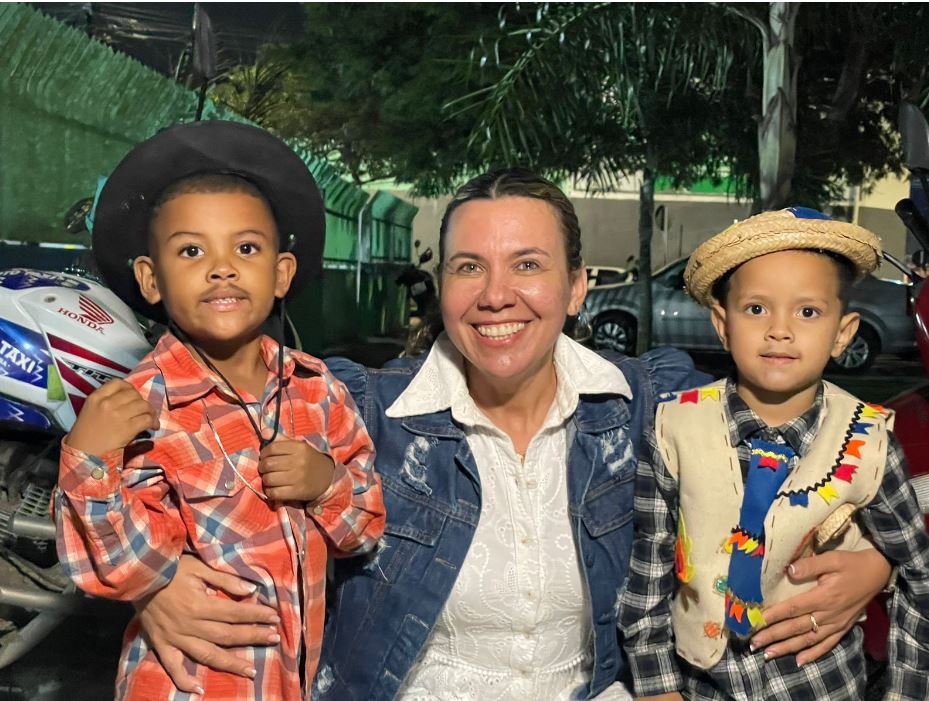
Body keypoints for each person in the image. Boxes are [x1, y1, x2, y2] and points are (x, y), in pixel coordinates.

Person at [133, 173, 893, 700]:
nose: (496, 295)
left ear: (576, 287)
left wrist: (878, 561)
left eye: (527, 265)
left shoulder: (648, 406)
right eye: (470, 267)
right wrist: (156, 581)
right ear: (443, 287)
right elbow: (173, 449)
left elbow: (841, 447)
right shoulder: (355, 408)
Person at [53, 121, 386, 700]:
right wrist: (87, 460)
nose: (222, 267)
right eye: (191, 250)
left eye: (246, 248)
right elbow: (113, 568)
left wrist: (326, 484)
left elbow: (362, 533)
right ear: (150, 279)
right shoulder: (140, 407)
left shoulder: (318, 390)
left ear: (281, 274)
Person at [619, 207, 929, 700]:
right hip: (703, 686)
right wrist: (656, 686)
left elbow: (919, 570)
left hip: (818, 685)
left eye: (807, 312)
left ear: (843, 333)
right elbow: (648, 570)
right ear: (722, 324)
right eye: (756, 309)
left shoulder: (869, 442)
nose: (779, 330)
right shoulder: (672, 428)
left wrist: (905, 692)